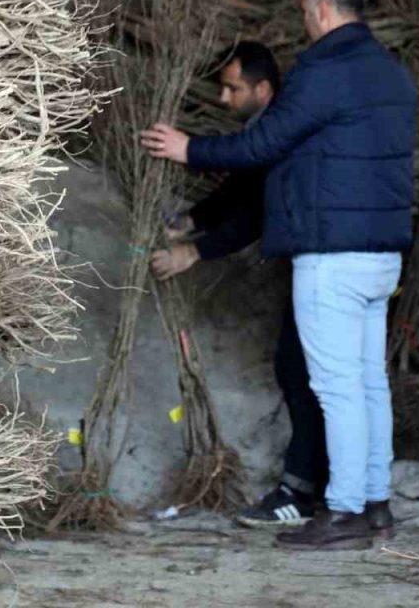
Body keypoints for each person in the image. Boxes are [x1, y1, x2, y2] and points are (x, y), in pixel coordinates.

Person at [140, 0, 417, 550]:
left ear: (319, 9)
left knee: (337, 387)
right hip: (380, 255)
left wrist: (190, 148)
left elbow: (263, 143)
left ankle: (342, 512)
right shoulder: (390, 74)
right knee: (368, 383)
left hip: (331, 258)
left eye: (303, 10)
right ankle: (375, 503)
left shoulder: (324, 70)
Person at [149, 42, 329, 527]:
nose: (225, 98)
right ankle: (325, 486)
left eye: (233, 87)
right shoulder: (268, 130)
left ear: (263, 88)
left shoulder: (280, 134)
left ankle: (307, 489)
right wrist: (191, 219)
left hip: (326, 265)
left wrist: (193, 249)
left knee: (304, 373)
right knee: (302, 372)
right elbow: (243, 186)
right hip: (315, 263)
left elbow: (255, 213)